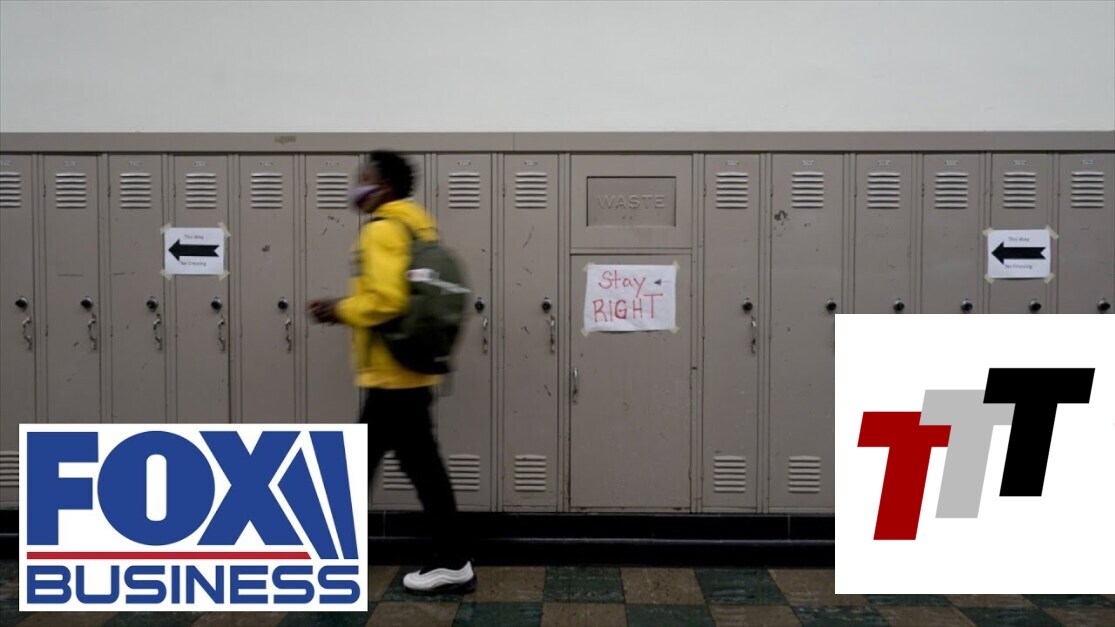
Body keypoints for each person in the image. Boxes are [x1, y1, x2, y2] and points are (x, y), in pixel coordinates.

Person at [308, 150, 475, 594]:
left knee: (381, 466)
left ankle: (450, 561)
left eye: (364, 177)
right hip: (409, 370)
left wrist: (339, 309)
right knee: (410, 465)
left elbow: (387, 300)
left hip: (391, 373)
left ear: (384, 187)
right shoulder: (418, 227)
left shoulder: (381, 231)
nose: (357, 186)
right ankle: (450, 559)